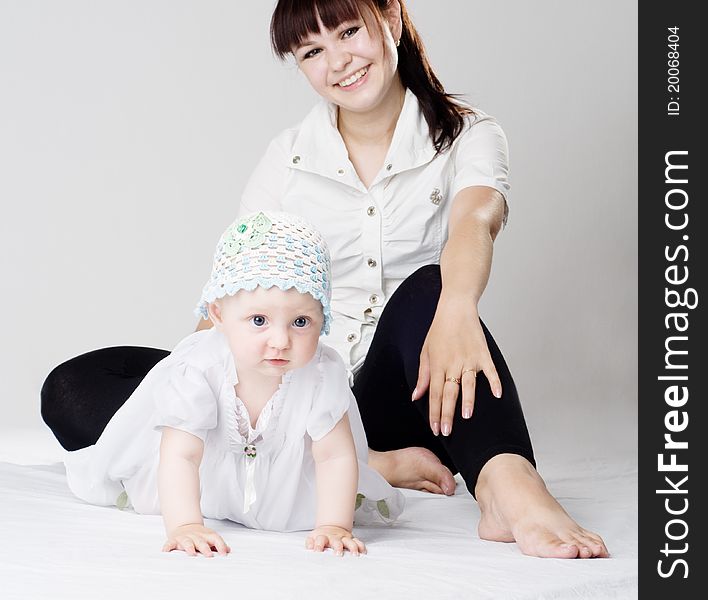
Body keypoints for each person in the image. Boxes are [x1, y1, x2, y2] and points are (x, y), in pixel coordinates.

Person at [41, 0, 608, 559]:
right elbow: (239, 281)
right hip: (290, 386)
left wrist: (459, 306)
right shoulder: (287, 157)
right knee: (73, 385)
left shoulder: (466, 133)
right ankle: (370, 465)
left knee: (428, 288)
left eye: (347, 32)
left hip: (402, 390)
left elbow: (475, 221)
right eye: (312, 50)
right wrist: (200, 379)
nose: (337, 61)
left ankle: (509, 487)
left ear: (390, 18)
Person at [63, 211, 404, 557]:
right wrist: (185, 524)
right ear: (219, 315)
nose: (280, 340)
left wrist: (334, 524)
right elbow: (181, 455)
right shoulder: (199, 367)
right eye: (259, 320)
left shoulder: (320, 375)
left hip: (286, 496)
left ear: (323, 319)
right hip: (203, 483)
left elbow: (333, 457)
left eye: (301, 321)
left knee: (337, 474)